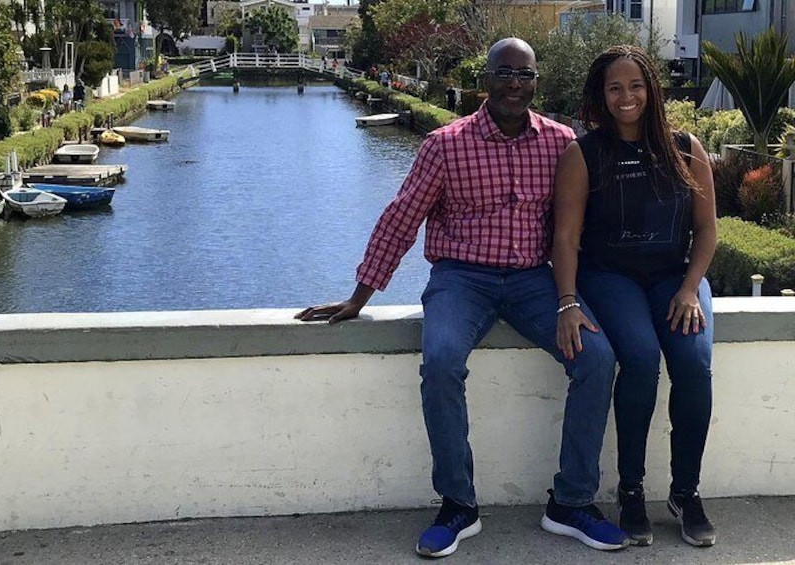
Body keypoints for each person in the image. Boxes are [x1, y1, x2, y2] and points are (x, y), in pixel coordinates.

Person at [296, 37, 628, 557]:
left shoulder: (562, 142)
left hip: (533, 281)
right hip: (461, 278)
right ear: (485, 79)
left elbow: (579, 226)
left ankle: (571, 502)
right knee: (442, 360)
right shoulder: (445, 144)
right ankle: (458, 504)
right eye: (505, 73)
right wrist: (360, 296)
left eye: (525, 75)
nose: (515, 85)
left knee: (598, 358)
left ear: (536, 82)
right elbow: (401, 219)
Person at [551, 45, 717, 548]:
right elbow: (565, 238)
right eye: (615, 87)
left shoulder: (686, 148)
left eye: (636, 85)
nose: (627, 96)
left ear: (652, 89)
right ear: (601, 95)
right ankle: (631, 490)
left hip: (674, 277)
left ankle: (685, 492)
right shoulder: (584, 153)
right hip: (611, 277)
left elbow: (707, 231)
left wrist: (690, 288)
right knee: (641, 360)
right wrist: (567, 301)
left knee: (692, 363)